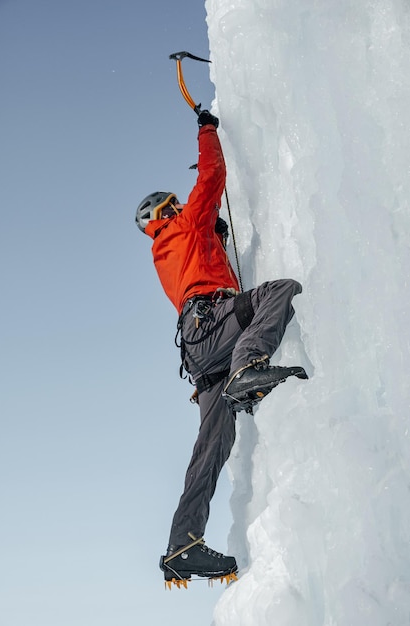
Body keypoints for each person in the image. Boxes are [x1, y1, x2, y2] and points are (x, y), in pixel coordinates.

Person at [135, 110, 308, 588]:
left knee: (212, 446)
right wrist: (206, 129)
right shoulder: (187, 224)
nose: (178, 208)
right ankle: (249, 366)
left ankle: (182, 545)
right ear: (164, 213)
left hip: (198, 350)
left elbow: (206, 269)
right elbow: (213, 174)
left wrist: (217, 239)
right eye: (171, 205)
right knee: (281, 290)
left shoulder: (168, 251)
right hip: (213, 327)